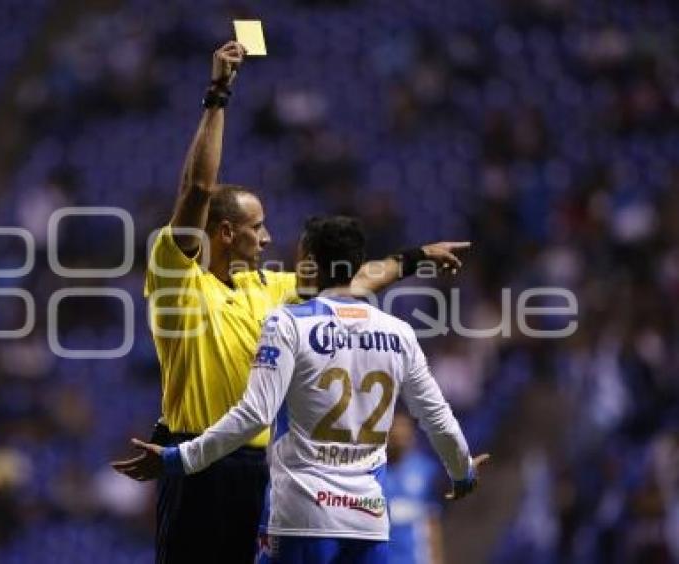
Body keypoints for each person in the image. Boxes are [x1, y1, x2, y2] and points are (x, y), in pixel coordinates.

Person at [131, 40, 471, 564]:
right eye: (256, 227)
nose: (268, 238)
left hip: (268, 472)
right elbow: (197, 188)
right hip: (200, 465)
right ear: (222, 233)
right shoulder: (179, 279)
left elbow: (354, 280)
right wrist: (218, 94)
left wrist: (417, 256)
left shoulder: (271, 287)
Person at [115, 216, 490, 564]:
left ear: (310, 262)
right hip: (368, 521)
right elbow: (435, 414)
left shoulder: (288, 323)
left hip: (301, 516)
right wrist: (462, 472)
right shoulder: (399, 333)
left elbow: (254, 415)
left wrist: (176, 459)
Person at [385, 411, 445, 564]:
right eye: (394, 428)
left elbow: (433, 521)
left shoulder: (426, 470)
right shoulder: (371, 473)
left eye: (404, 427)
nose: (399, 433)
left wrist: (437, 560)